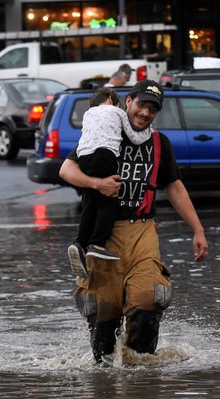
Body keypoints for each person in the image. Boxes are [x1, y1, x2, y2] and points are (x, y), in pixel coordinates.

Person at [59, 79, 208, 364]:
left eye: (153, 108)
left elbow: (174, 187)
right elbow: (67, 170)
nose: (145, 113)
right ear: (128, 102)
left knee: (149, 298)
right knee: (104, 310)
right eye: (141, 104)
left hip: (142, 233)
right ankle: (104, 384)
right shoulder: (107, 129)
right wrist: (97, 183)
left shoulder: (159, 143)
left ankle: (142, 380)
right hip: (103, 238)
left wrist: (197, 229)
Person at [68, 87, 152, 269]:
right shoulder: (117, 111)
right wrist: (149, 131)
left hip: (84, 158)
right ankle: (98, 244)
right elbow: (134, 137)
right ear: (112, 99)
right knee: (109, 198)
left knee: (90, 203)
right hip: (105, 155)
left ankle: (79, 244)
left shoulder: (88, 114)